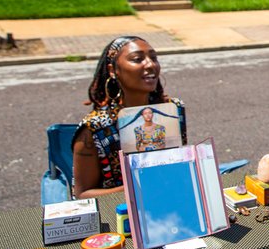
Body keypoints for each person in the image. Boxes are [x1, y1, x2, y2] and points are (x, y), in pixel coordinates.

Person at [72, 36, 186, 198]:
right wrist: (138, 188)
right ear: (113, 70)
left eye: (154, 58)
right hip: (117, 214)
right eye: (137, 59)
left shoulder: (173, 110)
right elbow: (82, 194)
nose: (150, 64)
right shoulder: (95, 128)